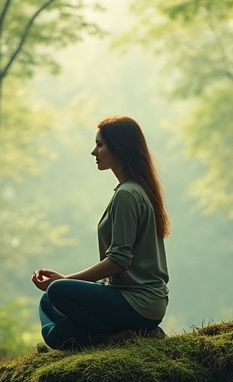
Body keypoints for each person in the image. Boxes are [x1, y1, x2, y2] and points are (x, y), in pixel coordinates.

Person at [31, 116, 171, 350]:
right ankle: (115, 335)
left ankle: (111, 338)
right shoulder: (135, 190)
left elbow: (118, 261)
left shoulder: (127, 195)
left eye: (100, 145)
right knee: (48, 304)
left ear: (119, 148)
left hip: (139, 303)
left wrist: (66, 280)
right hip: (131, 299)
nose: (94, 152)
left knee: (57, 295)